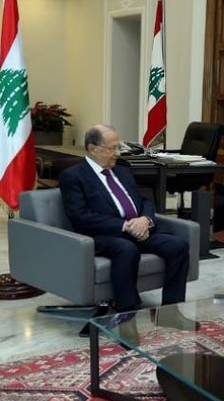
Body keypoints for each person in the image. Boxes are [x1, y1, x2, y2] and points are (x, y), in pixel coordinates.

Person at [58, 124, 194, 328]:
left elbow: (144, 201)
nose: (118, 153)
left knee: (178, 246)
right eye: (112, 148)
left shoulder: (122, 171)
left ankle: (170, 313)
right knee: (126, 249)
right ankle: (126, 312)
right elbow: (80, 216)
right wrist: (124, 226)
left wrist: (145, 220)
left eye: (118, 147)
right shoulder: (73, 176)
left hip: (138, 229)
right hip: (102, 235)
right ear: (92, 148)